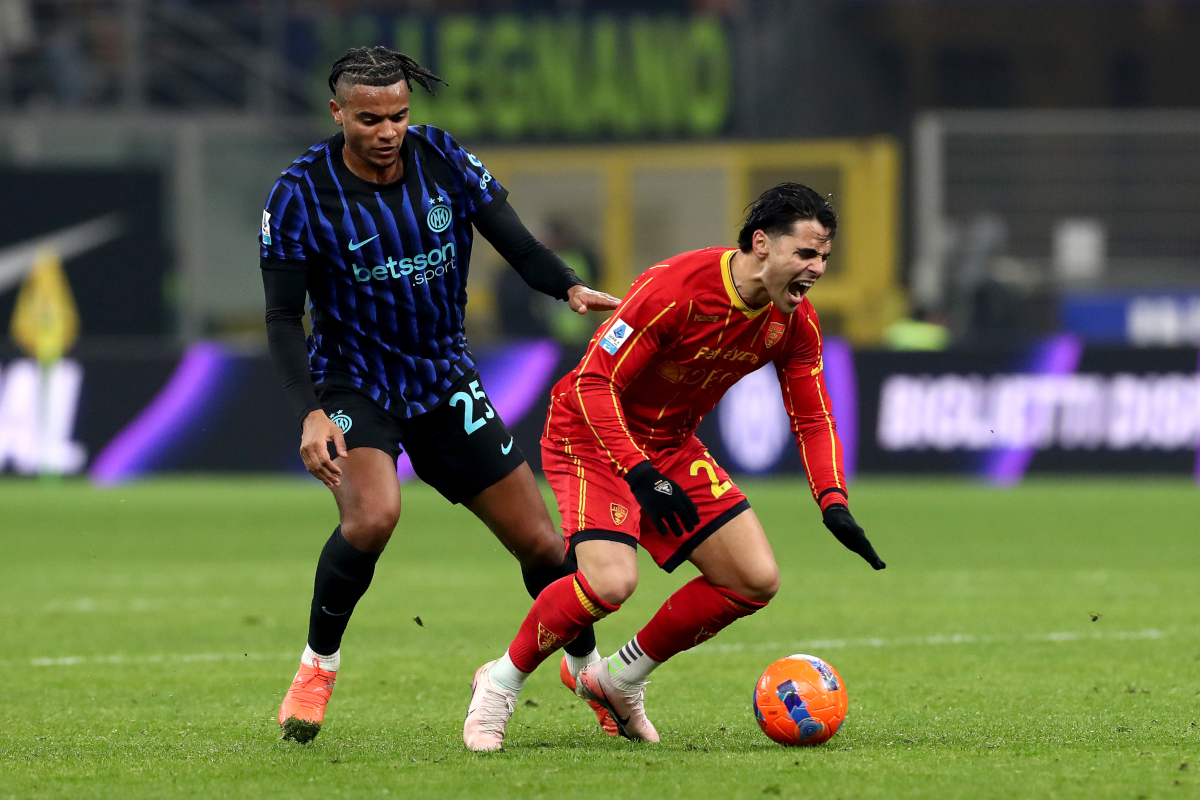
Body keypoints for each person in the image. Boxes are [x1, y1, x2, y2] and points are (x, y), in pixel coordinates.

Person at [259, 46, 619, 743]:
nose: (387, 131)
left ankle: (587, 669)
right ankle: (317, 666)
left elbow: (518, 245)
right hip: (356, 382)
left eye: (398, 115)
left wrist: (569, 286)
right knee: (373, 518)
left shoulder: (442, 158)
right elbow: (281, 318)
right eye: (369, 119)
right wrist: (310, 411)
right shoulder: (299, 193)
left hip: (443, 377)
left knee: (543, 546)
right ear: (337, 113)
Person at [462, 183, 886, 751]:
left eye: (824, 257)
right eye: (806, 253)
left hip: (669, 444)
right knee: (611, 582)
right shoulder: (676, 288)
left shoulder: (794, 322)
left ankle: (618, 678)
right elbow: (592, 385)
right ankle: (499, 682)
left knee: (754, 580)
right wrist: (639, 472)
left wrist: (833, 501)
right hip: (591, 433)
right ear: (762, 244)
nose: (817, 269)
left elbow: (814, 417)